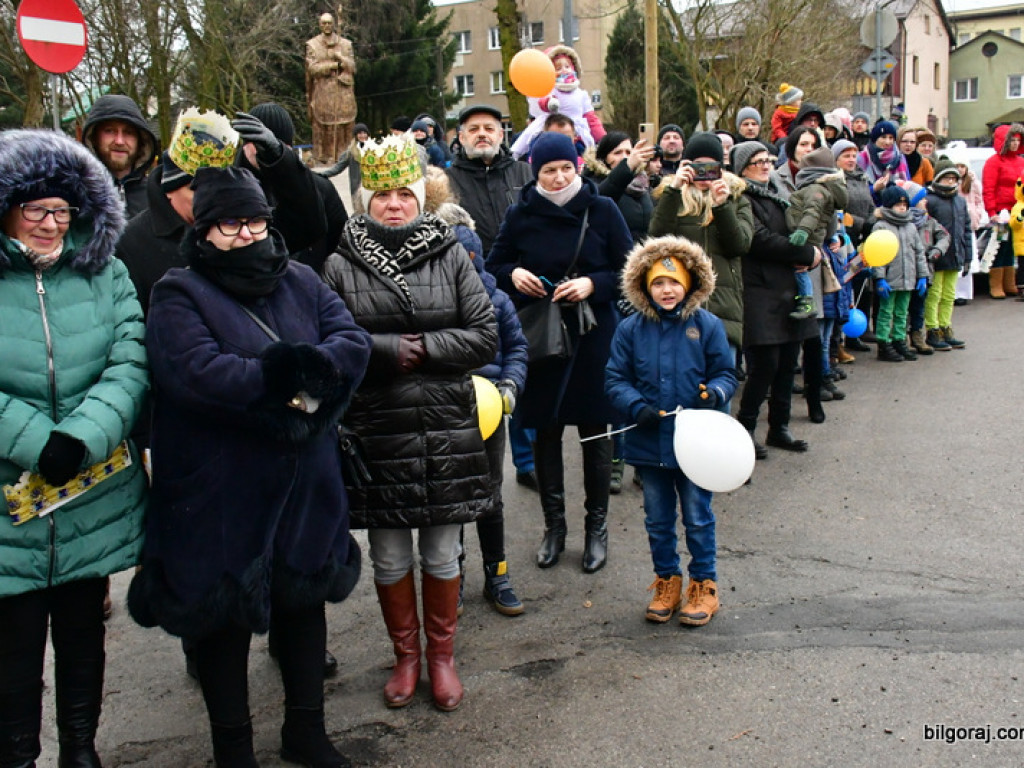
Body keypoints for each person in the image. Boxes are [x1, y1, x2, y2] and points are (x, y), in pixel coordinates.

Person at [128, 167, 370, 767]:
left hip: (306, 483)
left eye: (256, 221)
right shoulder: (179, 292)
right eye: (231, 223)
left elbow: (350, 344)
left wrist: (296, 390)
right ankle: (233, 751)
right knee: (222, 622)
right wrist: (294, 386)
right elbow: (197, 373)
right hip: (220, 488)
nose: (246, 234)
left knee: (303, 605)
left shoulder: (302, 279)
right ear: (204, 229)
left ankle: (306, 731)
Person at [323, 135, 497, 712]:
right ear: (365, 201)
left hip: (446, 428)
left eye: (404, 193)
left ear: (421, 197)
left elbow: (484, 336)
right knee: (391, 556)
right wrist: (387, 350)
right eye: (382, 195)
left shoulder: (451, 253)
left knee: (443, 554)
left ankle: (442, 658)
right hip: (378, 430)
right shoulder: (338, 265)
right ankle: (406, 658)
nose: (393, 204)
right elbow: (332, 343)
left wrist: (422, 348)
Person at [0, 129, 148, 768]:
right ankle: (17, 755)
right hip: (10, 500)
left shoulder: (104, 270)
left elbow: (130, 359)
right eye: (35, 209)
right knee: (14, 642)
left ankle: (81, 750)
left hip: (90, 488)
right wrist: (36, 441)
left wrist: (83, 436)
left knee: (84, 633)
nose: (50, 223)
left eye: (62, 210)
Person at [487, 132, 632, 574]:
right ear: (536, 173)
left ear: (578, 166)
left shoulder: (602, 209)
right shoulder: (520, 213)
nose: (559, 177)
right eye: (549, 170)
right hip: (541, 336)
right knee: (545, 431)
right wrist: (515, 275)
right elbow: (493, 266)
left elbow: (630, 270)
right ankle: (554, 528)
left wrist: (593, 283)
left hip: (593, 335)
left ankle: (596, 530)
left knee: (595, 433)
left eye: (566, 168)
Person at [606, 236, 736, 626]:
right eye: (658, 283)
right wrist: (636, 406)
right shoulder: (630, 329)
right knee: (658, 520)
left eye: (674, 282)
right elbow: (615, 379)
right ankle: (667, 581)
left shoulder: (707, 326)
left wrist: (714, 393)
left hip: (697, 444)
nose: (667, 290)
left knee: (698, 516)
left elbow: (726, 373)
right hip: (650, 443)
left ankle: (704, 585)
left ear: (690, 284)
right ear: (644, 286)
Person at [422, 167, 528, 616]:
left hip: (490, 409)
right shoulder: (430, 304)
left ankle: (497, 572)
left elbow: (517, 348)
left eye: (468, 258)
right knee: (450, 495)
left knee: (490, 494)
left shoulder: (498, 301)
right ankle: (455, 572)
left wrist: (510, 385)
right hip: (447, 408)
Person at [731, 140, 821, 451]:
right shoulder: (740, 198)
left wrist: (815, 251)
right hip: (758, 290)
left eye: (768, 160)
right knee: (764, 364)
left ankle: (779, 427)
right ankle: (745, 427)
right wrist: (806, 253)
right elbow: (759, 239)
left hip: (788, 288)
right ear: (742, 168)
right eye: (758, 162)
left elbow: (804, 228)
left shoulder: (780, 196)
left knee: (787, 363)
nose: (766, 166)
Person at [649, 132, 753, 371]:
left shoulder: (737, 198)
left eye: (711, 167)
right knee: (681, 381)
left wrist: (722, 206)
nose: (704, 174)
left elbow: (739, 246)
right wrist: (674, 190)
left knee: (720, 381)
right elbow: (656, 239)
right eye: (698, 166)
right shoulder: (672, 197)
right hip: (681, 301)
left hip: (723, 306)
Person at [786, 147, 848, 321]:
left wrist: (802, 231)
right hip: (813, 238)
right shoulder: (823, 189)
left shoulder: (816, 190)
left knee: (800, 270)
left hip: (807, 239)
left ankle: (806, 301)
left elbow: (812, 212)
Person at [871, 185, 930, 363]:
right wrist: (880, 278)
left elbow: (919, 252)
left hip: (908, 278)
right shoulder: (881, 226)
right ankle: (884, 342)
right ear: (889, 206)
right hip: (890, 279)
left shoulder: (910, 227)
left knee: (902, 312)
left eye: (904, 204)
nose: (902, 208)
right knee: (886, 312)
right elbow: (877, 255)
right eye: (898, 205)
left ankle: (899, 339)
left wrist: (922, 276)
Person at [81, 93, 159, 218]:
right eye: (110, 131)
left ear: (141, 140)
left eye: (128, 132)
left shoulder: (157, 197)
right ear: (94, 138)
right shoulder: (77, 193)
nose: (119, 141)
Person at [833, 139, 876, 356]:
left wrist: (872, 221)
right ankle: (839, 339)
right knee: (844, 287)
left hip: (863, 241)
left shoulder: (862, 178)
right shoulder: (835, 181)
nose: (851, 160)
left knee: (862, 285)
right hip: (843, 242)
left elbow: (871, 207)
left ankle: (857, 333)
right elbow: (841, 214)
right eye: (846, 156)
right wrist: (861, 223)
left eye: (853, 155)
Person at [925, 159, 970, 350]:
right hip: (937, 256)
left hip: (955, 253)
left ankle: (945, 326)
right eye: (946, 178)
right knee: (934, 294)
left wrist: (968, 256)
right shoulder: (931, 200)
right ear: (937, 179)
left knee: (949, 294)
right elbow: (927, 230)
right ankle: (932, 329)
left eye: (953, 178)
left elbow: (966, 230)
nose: (950, 182)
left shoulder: (960, 201)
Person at [305, 12, 357, 166]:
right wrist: (334, 65)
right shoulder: (312, 45)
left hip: (343, 91)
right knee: (324, 124)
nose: (327, 26)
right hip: (323, 91)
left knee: (344, 123)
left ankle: (345, 155)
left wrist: (341, 58)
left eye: (329, 23)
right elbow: (312, 69)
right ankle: (324, 156)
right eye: (324, 23)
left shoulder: (346, 44)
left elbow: (353, 67)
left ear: (333, 24)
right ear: (320, 25)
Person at [981, 123, 1024, 298]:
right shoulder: (993, 162)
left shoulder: (1021, 161)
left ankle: (1010, 282)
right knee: (999, 247)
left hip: (1017, 211)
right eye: (1012, 140)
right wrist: (992, 212)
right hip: (1001, 212)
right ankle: (996, 284)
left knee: (1013, 247)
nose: (1015, 144)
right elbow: (988, 188)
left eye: (1018, 140)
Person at [857, 120, 910, 200]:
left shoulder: (900, 158)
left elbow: (908, 184)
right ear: (875, 139)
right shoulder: (862, 158)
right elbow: (857, 190)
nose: (887, 142)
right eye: (883, 137)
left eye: (891, 138)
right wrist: (874, 188)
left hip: (897, 203)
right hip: (870, 203)